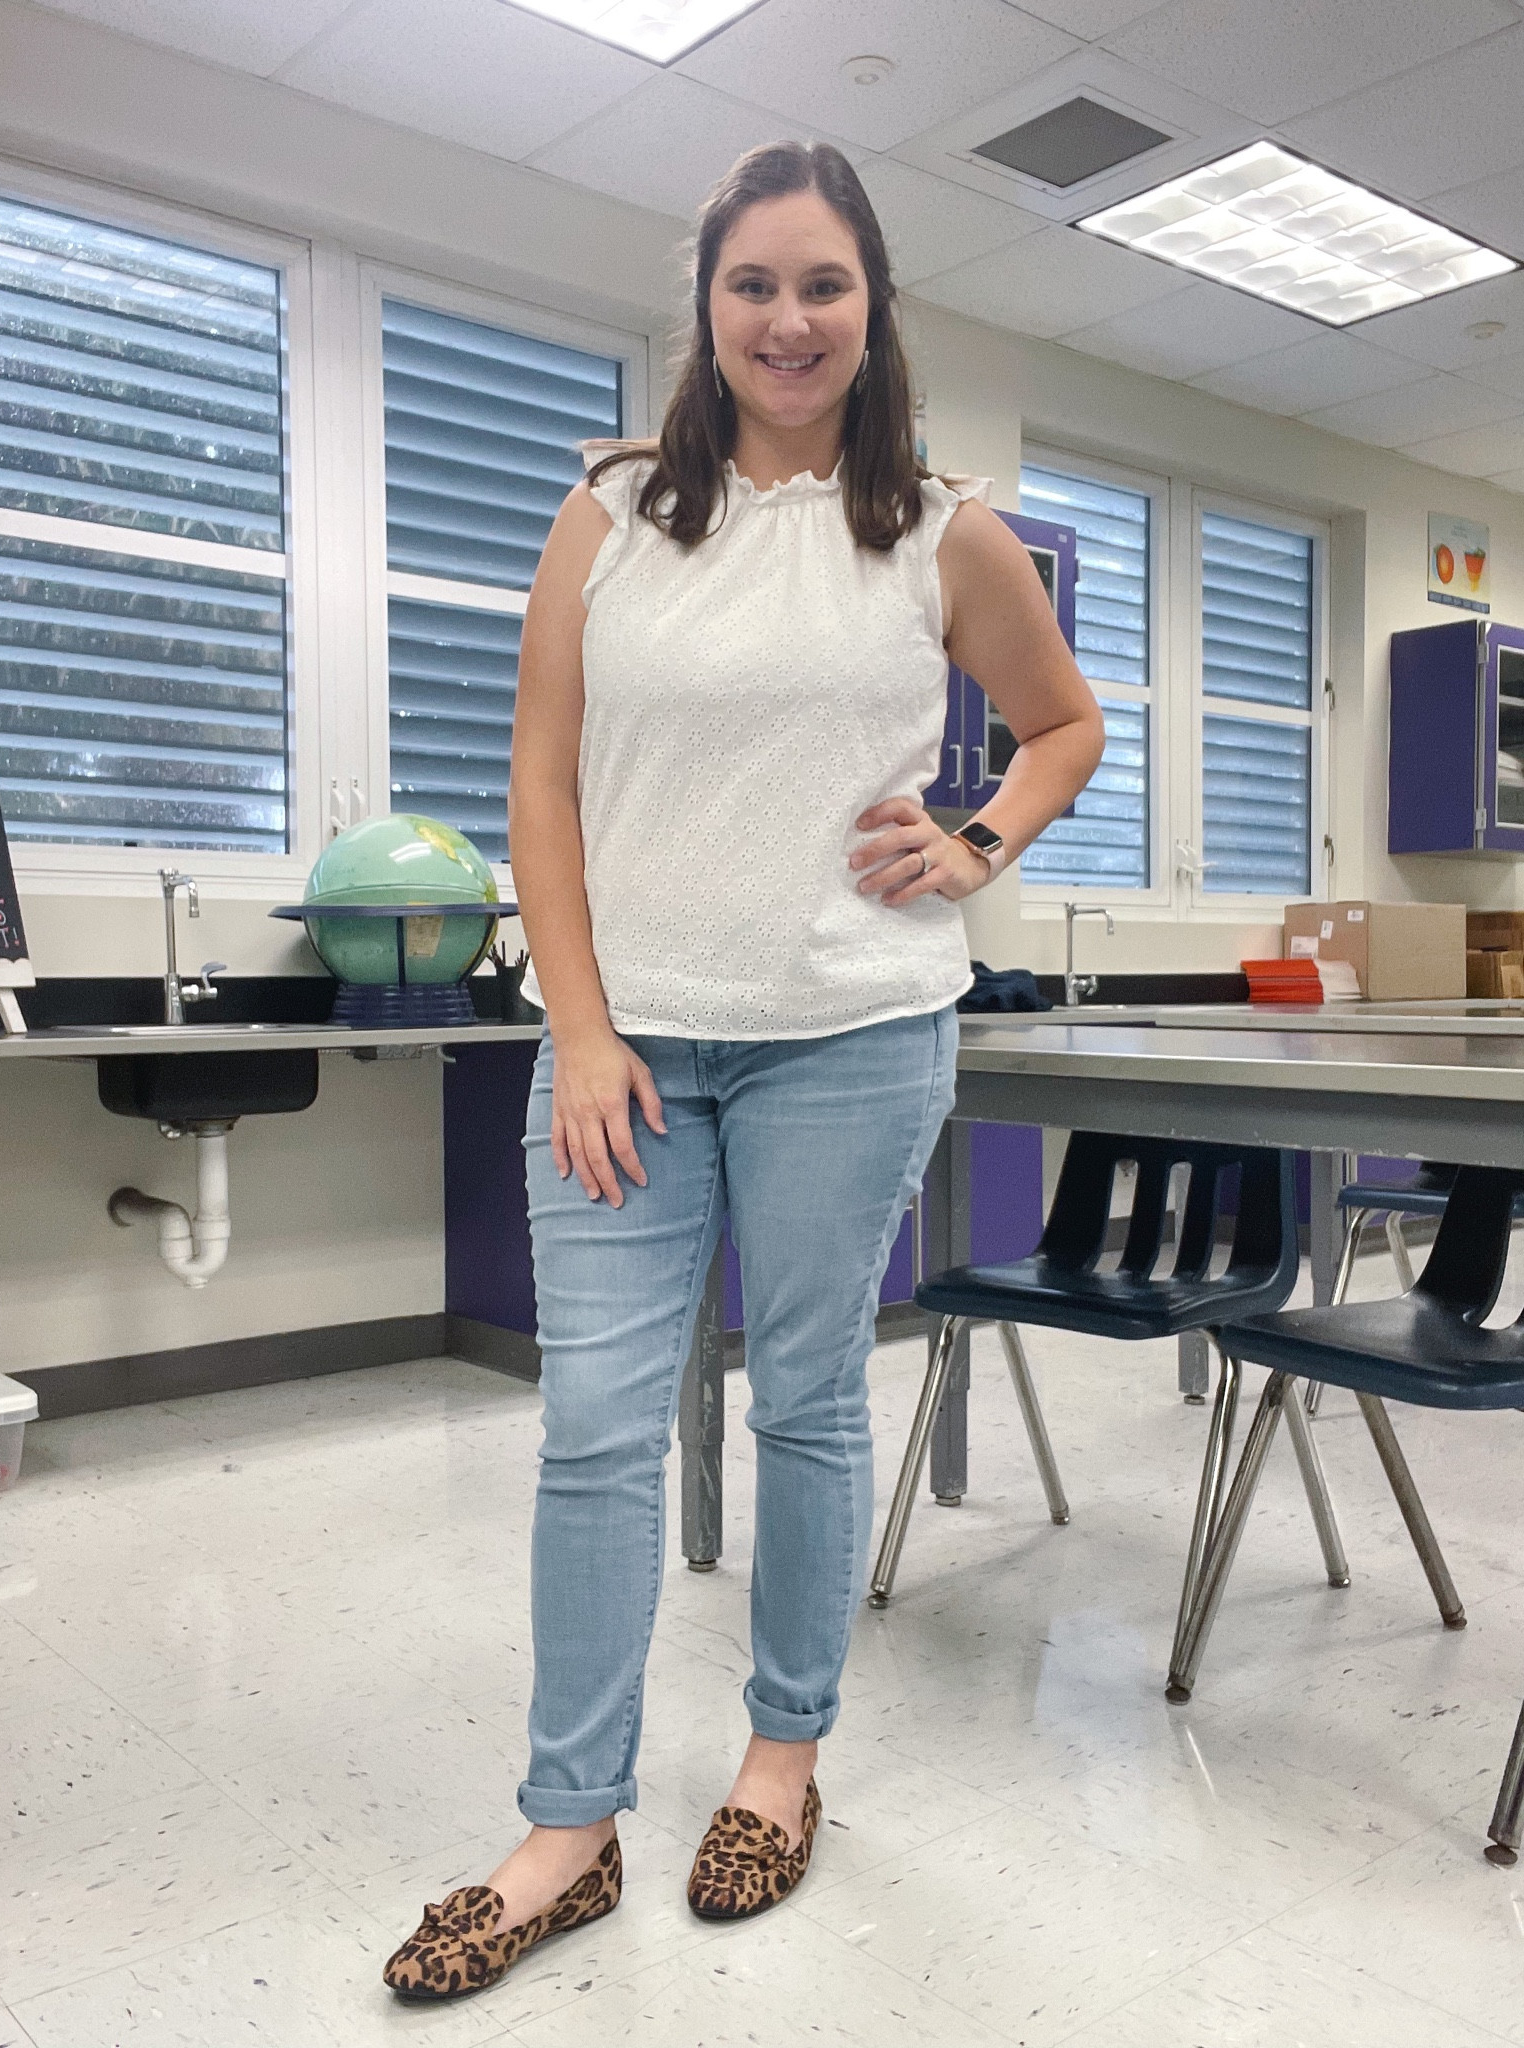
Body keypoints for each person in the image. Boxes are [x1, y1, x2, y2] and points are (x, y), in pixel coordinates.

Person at [384, 138, 1104, 2003]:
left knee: (806, 1405)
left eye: (825, 286)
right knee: (599, 1433)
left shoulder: (942, 531)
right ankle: (571, 1821)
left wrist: (977, 842)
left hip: (852, 1033)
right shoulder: (611, 512)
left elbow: (1062, 722)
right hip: (627, 1047)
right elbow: (542, 780)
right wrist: (586, 1023)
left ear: (873, 311)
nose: (789, 320)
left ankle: (784, 1760)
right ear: (704, 306)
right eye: (754, 285)